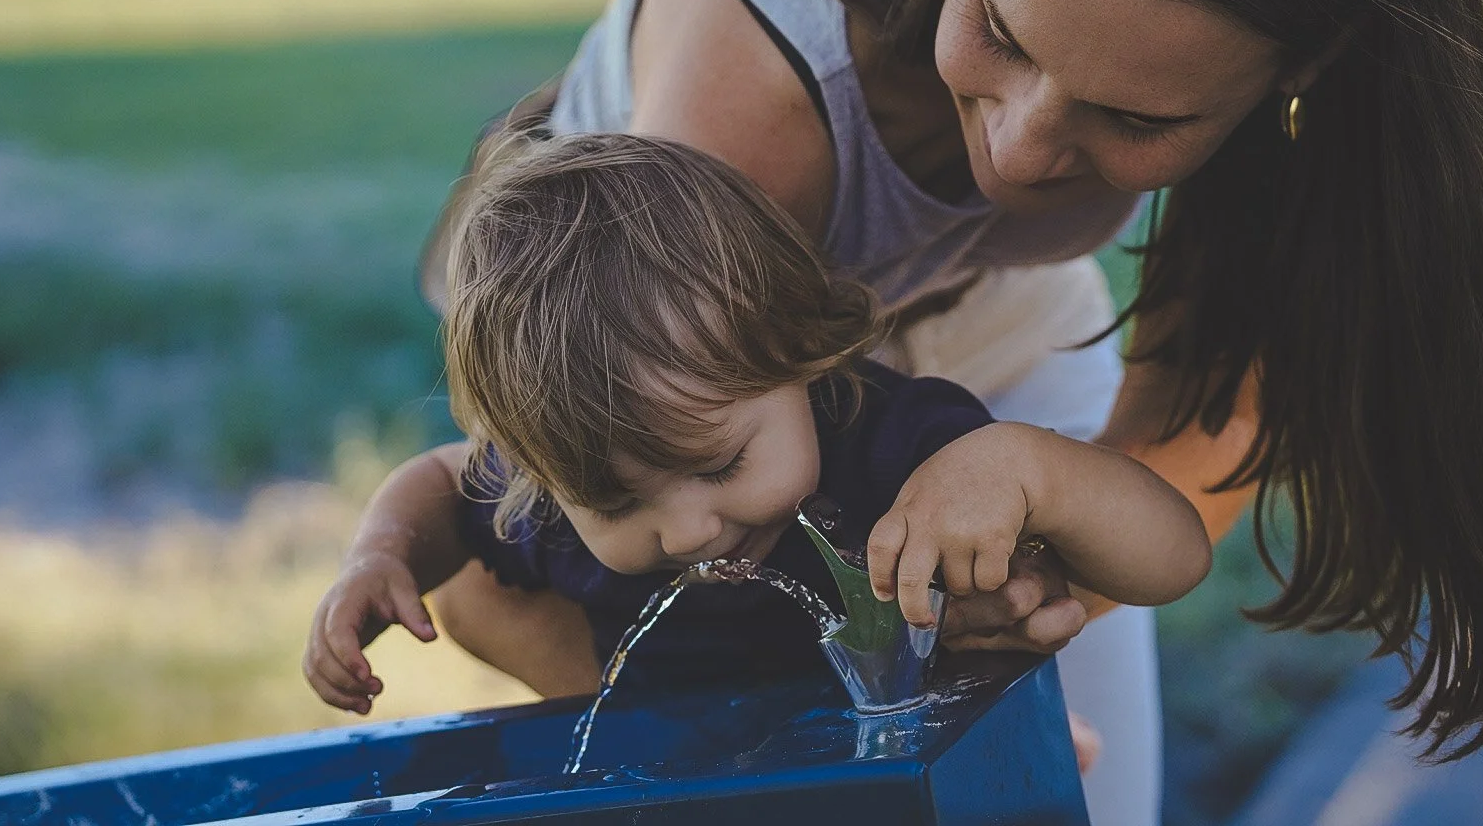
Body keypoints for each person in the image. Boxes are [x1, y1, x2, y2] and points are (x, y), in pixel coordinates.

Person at [412, 0, 1483, 823]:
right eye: (1000, 31)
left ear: (1303, 67)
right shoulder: (745, 117)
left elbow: (1204, 414)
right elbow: (680, 554)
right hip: (665, 385)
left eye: (1134, 118)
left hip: (984, 320)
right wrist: (877, 744)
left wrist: (1011, 635)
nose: (1020, 157)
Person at [302, 132, 1211, 707]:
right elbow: (442, 479)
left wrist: (1030, 469)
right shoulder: (569, 475)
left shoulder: (904, 449)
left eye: (723, 464)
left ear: (799, 349)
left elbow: (1174, 556)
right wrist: (381, 557)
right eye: (616, 507)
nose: (689, 527)